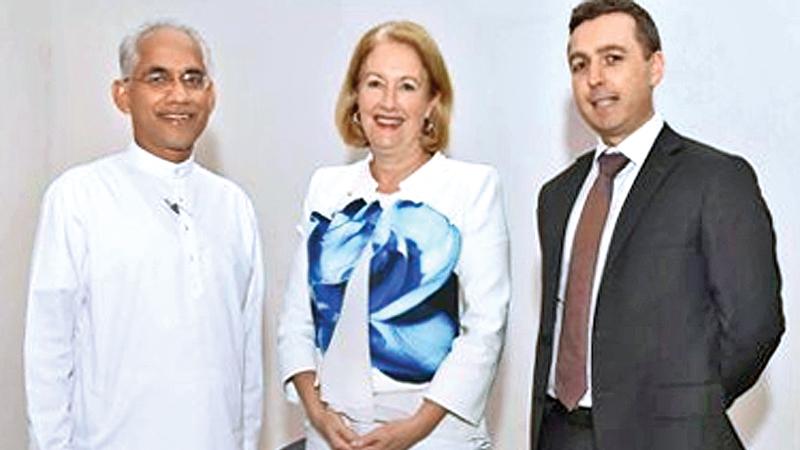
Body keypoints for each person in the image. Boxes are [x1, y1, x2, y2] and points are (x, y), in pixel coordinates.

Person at [530, 1, 785, 449]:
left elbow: (754, 325)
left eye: (613, 58)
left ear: (655, 67)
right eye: (579, 64)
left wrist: (683, 408)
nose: (594, 78)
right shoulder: (557, 196)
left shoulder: (715, 178)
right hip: (559, 434)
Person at [24, 22, 264, 450]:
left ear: (210, 95)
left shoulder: (234, 206)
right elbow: (48, 352)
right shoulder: (78, 196)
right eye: (158, 78)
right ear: (122, 94)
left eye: (193, 79)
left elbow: (247, 358)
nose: (179, 95)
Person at [277, 20, 511, 450]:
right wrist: (319, 415)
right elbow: (296, 320)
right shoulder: (325, 188)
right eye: (374, 84)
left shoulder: (472, 186)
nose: (388, 102)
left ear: (432, 102)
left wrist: (415, 428)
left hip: (435, 433)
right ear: (355, 97)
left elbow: (485, 326)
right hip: (333, 432)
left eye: (407, 86)